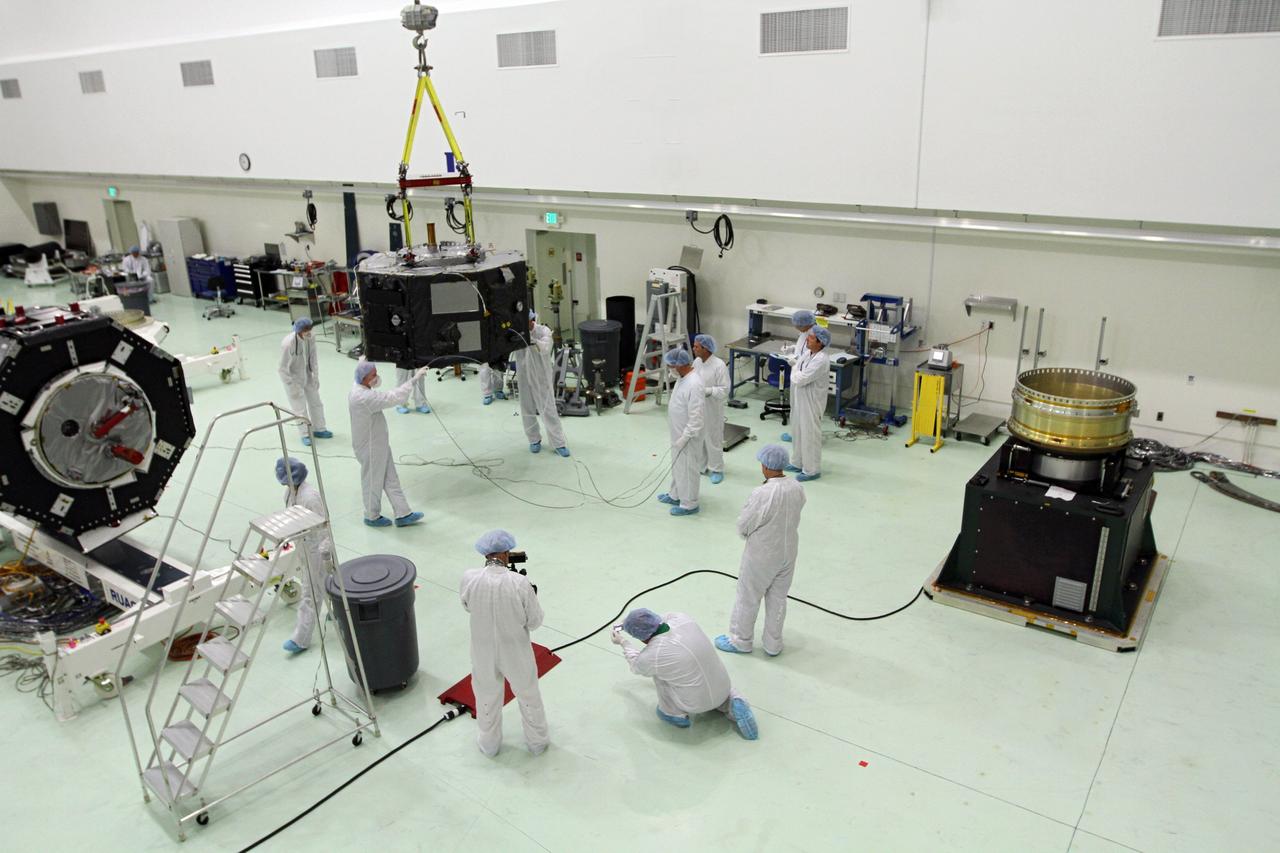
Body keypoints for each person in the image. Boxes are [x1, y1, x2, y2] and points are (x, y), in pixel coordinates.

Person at [460, 529, 549, 757]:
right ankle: (537, 744)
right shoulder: (519, 582)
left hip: (482, 649)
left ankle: (489, 746)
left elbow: (467, 605)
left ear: (485, 553)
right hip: (515, 649)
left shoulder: (470, 577)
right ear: (507, 553)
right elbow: (535, 621)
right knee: (528, 695)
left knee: (486, 697)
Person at [715, 444, 807, 657]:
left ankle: (741, 640)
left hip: (763, 554)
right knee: (778, 597)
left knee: (748, 596)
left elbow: (745, 523)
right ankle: (773, 644)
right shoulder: (796, 487)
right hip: (788, 552)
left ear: (766, 466)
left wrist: (746, 534)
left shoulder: (763, 492)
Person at [612, 607, 758, 740]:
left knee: (659, 673)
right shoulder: (682, 619)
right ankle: (732, 701)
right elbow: (661, 618)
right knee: (702, 668)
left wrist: (623, 642)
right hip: (724, 687)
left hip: (697, 705)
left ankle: (674, 714)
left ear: (641, 637)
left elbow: (637, 666)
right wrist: (627, 622)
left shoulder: (654, 654)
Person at [348, 361, 426, 527]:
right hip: (370, 446)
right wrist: (413, 380)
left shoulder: (359, 386)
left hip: (378, 442)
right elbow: (393, 397)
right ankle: (371, 515)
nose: (376, 377)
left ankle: (403, 513)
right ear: (364, 378)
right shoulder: (364, 397)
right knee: (372, 481)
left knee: (390, 478)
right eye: (373, 375)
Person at [275, 457, 334, 656]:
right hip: (304, 546)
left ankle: (301, 639)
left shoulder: (310, 497)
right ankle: (339, 615)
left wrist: (325, 553)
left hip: (317, 548)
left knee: (310, 593)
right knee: (326, 585)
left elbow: (324, 525)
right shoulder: (290, 492)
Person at [512, 312, 569, 456]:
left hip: (541, 376)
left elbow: (545, 348)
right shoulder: (517, 333)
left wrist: (531, 340)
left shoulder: (543, 331)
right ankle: (533, 439)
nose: (527, 325)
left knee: (548, 408)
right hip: (524, 375)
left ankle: (558, 443)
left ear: (532, 320)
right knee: (526, 407)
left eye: (529, 322)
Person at [657, 347, 704, 516]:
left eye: (671, 366)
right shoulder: (682, 377)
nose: (670, 369)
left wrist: (685, 437)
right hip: (677, 434)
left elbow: (696, 417)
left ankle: (689, 503)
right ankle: (676, 494)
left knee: (688, 469)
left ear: (681, 365)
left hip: (688, 438)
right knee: (678, 466)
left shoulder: (694, 384)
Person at [278, 317, 333, 446]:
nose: (309, 332)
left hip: (307, 374)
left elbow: (313, 357)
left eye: (310, 329)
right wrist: (291, 386)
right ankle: (305, 434)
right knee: (300, 408)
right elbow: (282, 368)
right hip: (293, 378)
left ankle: (319, 429)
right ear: (298, 330)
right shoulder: (288, 343)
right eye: (305, 330)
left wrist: (315, 376)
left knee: (316, 402)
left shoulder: (311, 337)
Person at [787, 326, 831, 482]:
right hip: (801, 399)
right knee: (798, 431)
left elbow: (800, 379)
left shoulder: (821, 360)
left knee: (809, 435)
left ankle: (812, 470)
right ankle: (797, 462)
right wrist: (795, 366)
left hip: (812, 402)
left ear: (820, 342)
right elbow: (799, 370)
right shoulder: (808, 353)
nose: (807, 339)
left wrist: (793, 368)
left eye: (811, 338)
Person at [692, 333, 729, 485]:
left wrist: (708, 391)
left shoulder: (719, 365)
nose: (694, 349)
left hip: (712, 409)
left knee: (713, 439)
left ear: (706, 349)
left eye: (696, 346)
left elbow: (724, 390)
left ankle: (717, 469)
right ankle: (701, 466)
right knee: (699, 437)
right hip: (697, 407)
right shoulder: (697, 362)